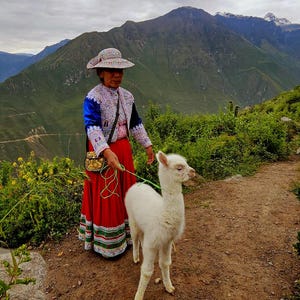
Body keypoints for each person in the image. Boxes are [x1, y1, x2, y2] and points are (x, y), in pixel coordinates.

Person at [78, 48, 155, 258]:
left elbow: (135, 123)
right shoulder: (93, 98)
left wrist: (147, 145)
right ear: (101, 72)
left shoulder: (128, 97)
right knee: (108, 195)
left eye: (120, 70)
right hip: (104, 153)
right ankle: (108, 244)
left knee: (126, 194)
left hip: (123, 151)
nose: (117, 75)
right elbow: (91, 127)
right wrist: (106, 151)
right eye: (111, 70)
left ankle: (128, 236)